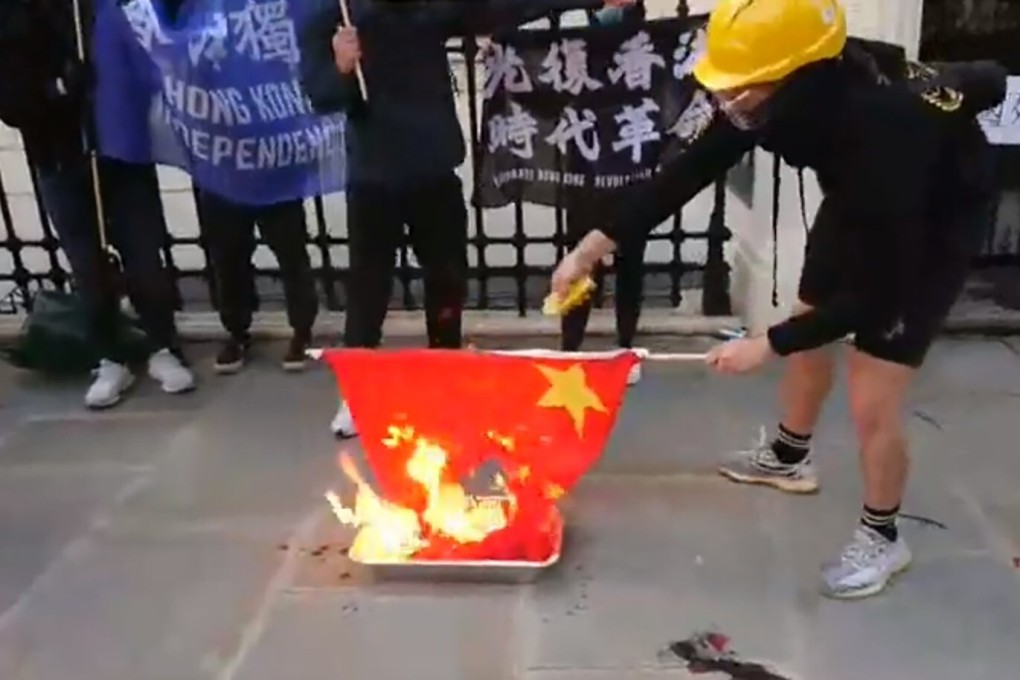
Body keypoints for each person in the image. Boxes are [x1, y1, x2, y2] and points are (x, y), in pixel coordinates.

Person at [550, 0, 1005, 599]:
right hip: (860, 195)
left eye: (742, 87)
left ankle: (883, 535)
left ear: (797, 80)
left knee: (873, 388)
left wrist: (767, 345)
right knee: (809, 309)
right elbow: (687, 170)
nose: (727, 99)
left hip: (932, 219)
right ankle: (790, 456)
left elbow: (880, 291)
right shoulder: (782, 91)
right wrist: (589, 248)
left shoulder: (883, 126)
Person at [298, 0, 638, 437]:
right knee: (368, 287)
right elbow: (320, 95)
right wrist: (342, 66)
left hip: (434, 167)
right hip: (373, 176)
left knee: (446, 280)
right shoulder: (331, 14)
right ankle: (358, 392)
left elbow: (502, 7)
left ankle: (445, 374)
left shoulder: (426, 8)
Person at [1, 0, 195, 409]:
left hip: (120, 154)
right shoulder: (14, 15)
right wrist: (58, 89)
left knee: (145, 257)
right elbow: (11, 101)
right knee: (88, 265)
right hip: (59, 155)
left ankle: (163, 345)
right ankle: (110, 356)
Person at [560, 1, 648, 387]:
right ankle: (569, 348)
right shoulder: (572, 18)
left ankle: (625, 346)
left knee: (630, 251)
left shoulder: (638, 25)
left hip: (629, 150)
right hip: (585, 152)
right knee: (579, 251)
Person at [196, 191, 319, 375]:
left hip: (263, 176)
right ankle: (237, 331)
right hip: (231, 179)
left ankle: (302, 330)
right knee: (228, 256)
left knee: (290, 252)